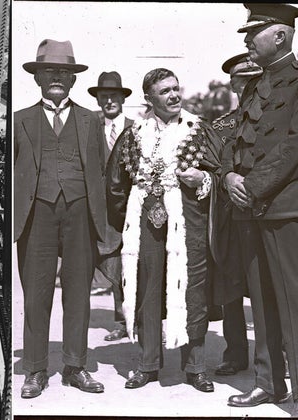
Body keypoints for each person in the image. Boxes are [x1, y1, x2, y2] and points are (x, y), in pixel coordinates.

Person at [106, 67, 221, 393]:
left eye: (175, 88)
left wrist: (203, 180)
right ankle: (147, 364)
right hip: (146, 225)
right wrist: (127, 223)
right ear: (148, 98)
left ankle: (195, 367)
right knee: (147, 290)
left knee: (192, 290)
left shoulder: (198, 130)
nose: (173, 95)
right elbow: (116, 186)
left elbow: (221, 175)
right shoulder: (134, 135)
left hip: (189, 222)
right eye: (164, 91)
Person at [15, 39, 107, 398]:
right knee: (36, 294)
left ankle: (75, 366)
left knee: (79, 293)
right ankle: (35, 370)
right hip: (36, 214)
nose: (57, 77)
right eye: (50, 71)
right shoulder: (21, 119)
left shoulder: (90, 120)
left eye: (64, 72)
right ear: (37, 79)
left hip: (80, 212)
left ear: (73, 80)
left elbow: (100, 169)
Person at [221, 3, 298, 408]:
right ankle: (269, 382)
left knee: (292, 302)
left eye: (255, 32)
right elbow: (235, 141)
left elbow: (292, 147)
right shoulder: (253, 86)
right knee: (263, 301)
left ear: (280, 36)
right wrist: (230, 176)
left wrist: (252, 186)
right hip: (247, 208)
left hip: (284, 211)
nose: (247, 40)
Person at [208, 52, 263, 377]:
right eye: (243, 84)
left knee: (266, 287)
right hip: (230, 218)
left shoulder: (275, 120)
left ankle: (280, 355)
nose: (249, 90)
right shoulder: (220, 126)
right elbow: (213, 168)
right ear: (233, 85)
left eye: (255, 82)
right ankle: (235, 353)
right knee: (230, 287)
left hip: (264, 214)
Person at [87, 70, 135, 342]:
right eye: (104, 97)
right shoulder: (89, 126)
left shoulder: (135, 127)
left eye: (113, 96)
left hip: (127, 207)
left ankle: (131, 320)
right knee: (108, 263)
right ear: (98, 100)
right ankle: (120, 320)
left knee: (130, 263)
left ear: (122, 99)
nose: (109, 102)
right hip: (96, 208)